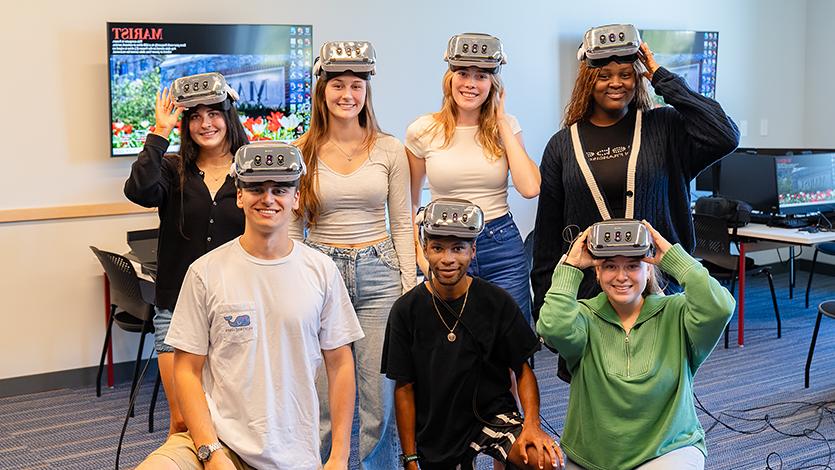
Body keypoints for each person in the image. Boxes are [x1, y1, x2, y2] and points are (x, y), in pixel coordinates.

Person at [136, 142, 363, 470]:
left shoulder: (321, 271)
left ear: (296, 198)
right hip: (217, 440)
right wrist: (210, 452)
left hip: (293, 453)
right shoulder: (205, 272)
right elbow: (186, 370)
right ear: (239, 196)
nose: (268, 198)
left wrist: (339, 455)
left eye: (280, 189)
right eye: (256, 188)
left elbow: (340, 364)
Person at [531, 24, 740, 318]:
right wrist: (544, 307)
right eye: (604, 76)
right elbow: (547, 238)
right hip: (588, 301)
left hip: (659, 293)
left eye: (626, 74)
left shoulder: (665, 127)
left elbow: (725, 135)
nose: (615, 83)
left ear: (638, 78)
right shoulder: (562, 145)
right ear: (588, 81)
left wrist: (662, 78)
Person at [290, 41, 415, 469]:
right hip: (321, 273)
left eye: (357, 85)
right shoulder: (302, 151)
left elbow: (402, 221)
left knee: (378, 395)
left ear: (367, 91)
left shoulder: (389, 148)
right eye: (338, 84)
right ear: (322, 90)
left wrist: (408, 283)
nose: (348, 94)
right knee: (325, 396)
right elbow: (294, 228)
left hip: (381, 273)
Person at [536, 220, 735, 469]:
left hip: (667, 449)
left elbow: (720, 307)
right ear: (597, 272)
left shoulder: (676, 313)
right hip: (593, 458)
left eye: (632, 265)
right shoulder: (584, 317)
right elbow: (552, 327)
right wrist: (570, 267)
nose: (621, 276)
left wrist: (675, 258)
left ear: (649, 269)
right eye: (610, 266)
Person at [382, 199, 563, 470]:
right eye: (437, 248)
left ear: (473, 251)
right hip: (438, 428)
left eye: (458, 248)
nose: (448, 259)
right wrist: (410, 458)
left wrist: (532, 425)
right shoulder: (406, 310)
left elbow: (523, 370)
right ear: (425, 249)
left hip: (493, 416)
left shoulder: (496, 301)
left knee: (544, 460)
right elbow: (404, 389)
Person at [124, 73, 248, 436]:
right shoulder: (171, 168)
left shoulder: (250, 170)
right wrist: (159, 133)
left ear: (229, 116)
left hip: (236, 309)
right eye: (195, 116)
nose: (205, 123)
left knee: (233, 420)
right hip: (176, 307)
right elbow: (139, 190)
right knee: (182, 420)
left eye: (214, 114)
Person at [406, 33, 540, 323]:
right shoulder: (423, 129)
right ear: (449, 78)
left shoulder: (507, 126)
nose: (470, 83)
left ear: (493, 83)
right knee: (454, 342)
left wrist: (501, 121)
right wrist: (419, 253)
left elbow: (530, 187)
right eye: (463, 73)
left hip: (500, 243)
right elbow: (409, 200)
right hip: (445, 244)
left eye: (481, 76)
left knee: (513, 343)